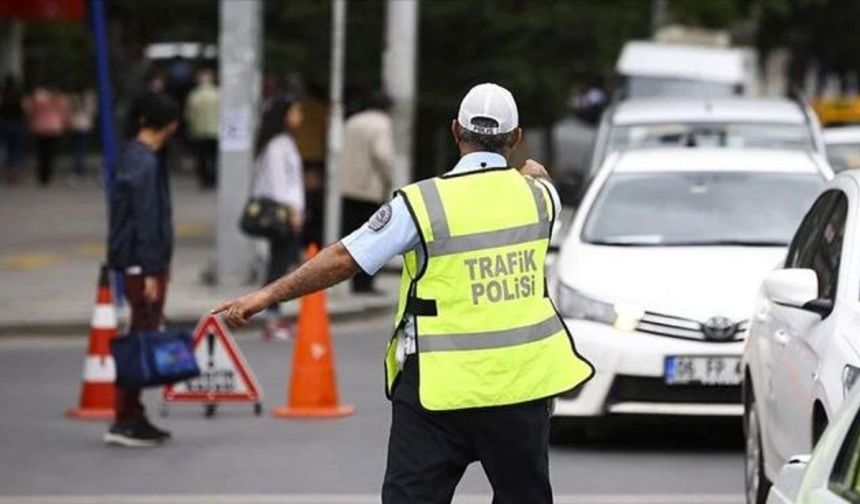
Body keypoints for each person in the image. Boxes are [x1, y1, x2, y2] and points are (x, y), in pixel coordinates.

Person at [214, 83, 594, 502]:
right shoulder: (541, 199)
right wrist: (531, 171)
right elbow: (537, 176)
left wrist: (264, 297)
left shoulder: (421, 203)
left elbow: (344, 258)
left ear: (455, 131)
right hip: (521, 387)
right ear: (516, 138)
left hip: (437, 391)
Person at [105, 93, 179, 447]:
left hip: (136, 261)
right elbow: (146, 220)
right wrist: (151, 270)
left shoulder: (133, 155)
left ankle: (132, 412)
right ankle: (125, 418)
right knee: (140, 337)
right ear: (171, 125)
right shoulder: (145, 163)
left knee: (141, 333)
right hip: (141, 264)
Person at [251, 93, 305, 340]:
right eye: (295, 112)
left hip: (288, 212)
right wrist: (292, 211)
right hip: (282, 213)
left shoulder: (284, 142)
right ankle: (271, 318)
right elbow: (279, 183)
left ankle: (275, 315)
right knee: (278, 266)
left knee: (281, 264)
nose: (299, 117)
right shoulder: (277, 145)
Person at [339, 90, 395, 294]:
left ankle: (353, 281)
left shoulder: (352, 121)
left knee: (352, 237)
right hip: (369, 189)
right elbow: (382, 154)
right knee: (372, 238)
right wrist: (388, 177)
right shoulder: (382, 124)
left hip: (347, 186)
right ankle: (365, 284)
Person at [24, 85, 68, 186]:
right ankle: (48, 175)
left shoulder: (38, 100)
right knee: (50, 154)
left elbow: (30, 111)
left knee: (41, 154)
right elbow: (64, 114)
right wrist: (65, 124)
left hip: (40, 128)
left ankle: (42, 175)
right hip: (54, 129)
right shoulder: (59, 100)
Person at [185, 68, 219, 188]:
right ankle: (213, 178)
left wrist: (191, 128)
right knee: (214, 157)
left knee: (202, 158)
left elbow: (190, 115)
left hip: (199, 131)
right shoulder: (218, 94)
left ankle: (204, 179)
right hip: (215, 131)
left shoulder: (194, 95)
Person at [68, 86, 97, 179]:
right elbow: (93, 111)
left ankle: (78, 166)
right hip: (84, 124)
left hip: (76, 124)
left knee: (78, 147)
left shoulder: (74, 97)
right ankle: (80, 167)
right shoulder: (89, 97)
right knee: (82, 147)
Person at [0, 75, 25, 184]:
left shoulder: (3, 94)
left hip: (4, 122)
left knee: (6, 147)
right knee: (16, 148)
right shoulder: (19, 94)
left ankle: (8, 170)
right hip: (17, 123)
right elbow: (24, 109)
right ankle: (14, 171)